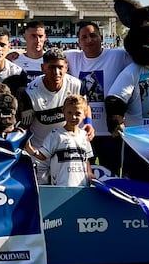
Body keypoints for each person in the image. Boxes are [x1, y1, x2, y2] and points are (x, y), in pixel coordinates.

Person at [64, 20, 132, 174]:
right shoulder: (72, 57)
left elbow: (146, 60)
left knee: (112, 176)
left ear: (101, 37)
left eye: (93, 35)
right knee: (81, 177)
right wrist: (13, 55)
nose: (89, 40)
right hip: (82, 132)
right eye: (84, 37)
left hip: (110, 134)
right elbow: (41, 57)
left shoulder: (118, 55)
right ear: (79, 42)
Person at [19, 48, 93, 183]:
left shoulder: (76, 84)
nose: (56, 72)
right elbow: (25, 125)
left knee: (67, 191)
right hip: (39, 150)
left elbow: (85, 105)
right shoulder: (31, 92)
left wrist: (89, 123)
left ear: (66, 67)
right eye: (51, 67)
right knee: (41, 194)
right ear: (43, 68)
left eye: (60, 67)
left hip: (64, 150)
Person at [23, 94, 95, 186]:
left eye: (77, 114)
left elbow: (86, 159)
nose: (73, 117)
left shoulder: (84, 135)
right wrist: (29, 148)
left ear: (84, 114)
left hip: (81, 187)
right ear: (63, 112)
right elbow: (43, 155)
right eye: (69, 113)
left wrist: (89, 173)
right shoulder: (56, 135)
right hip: (61, 186)